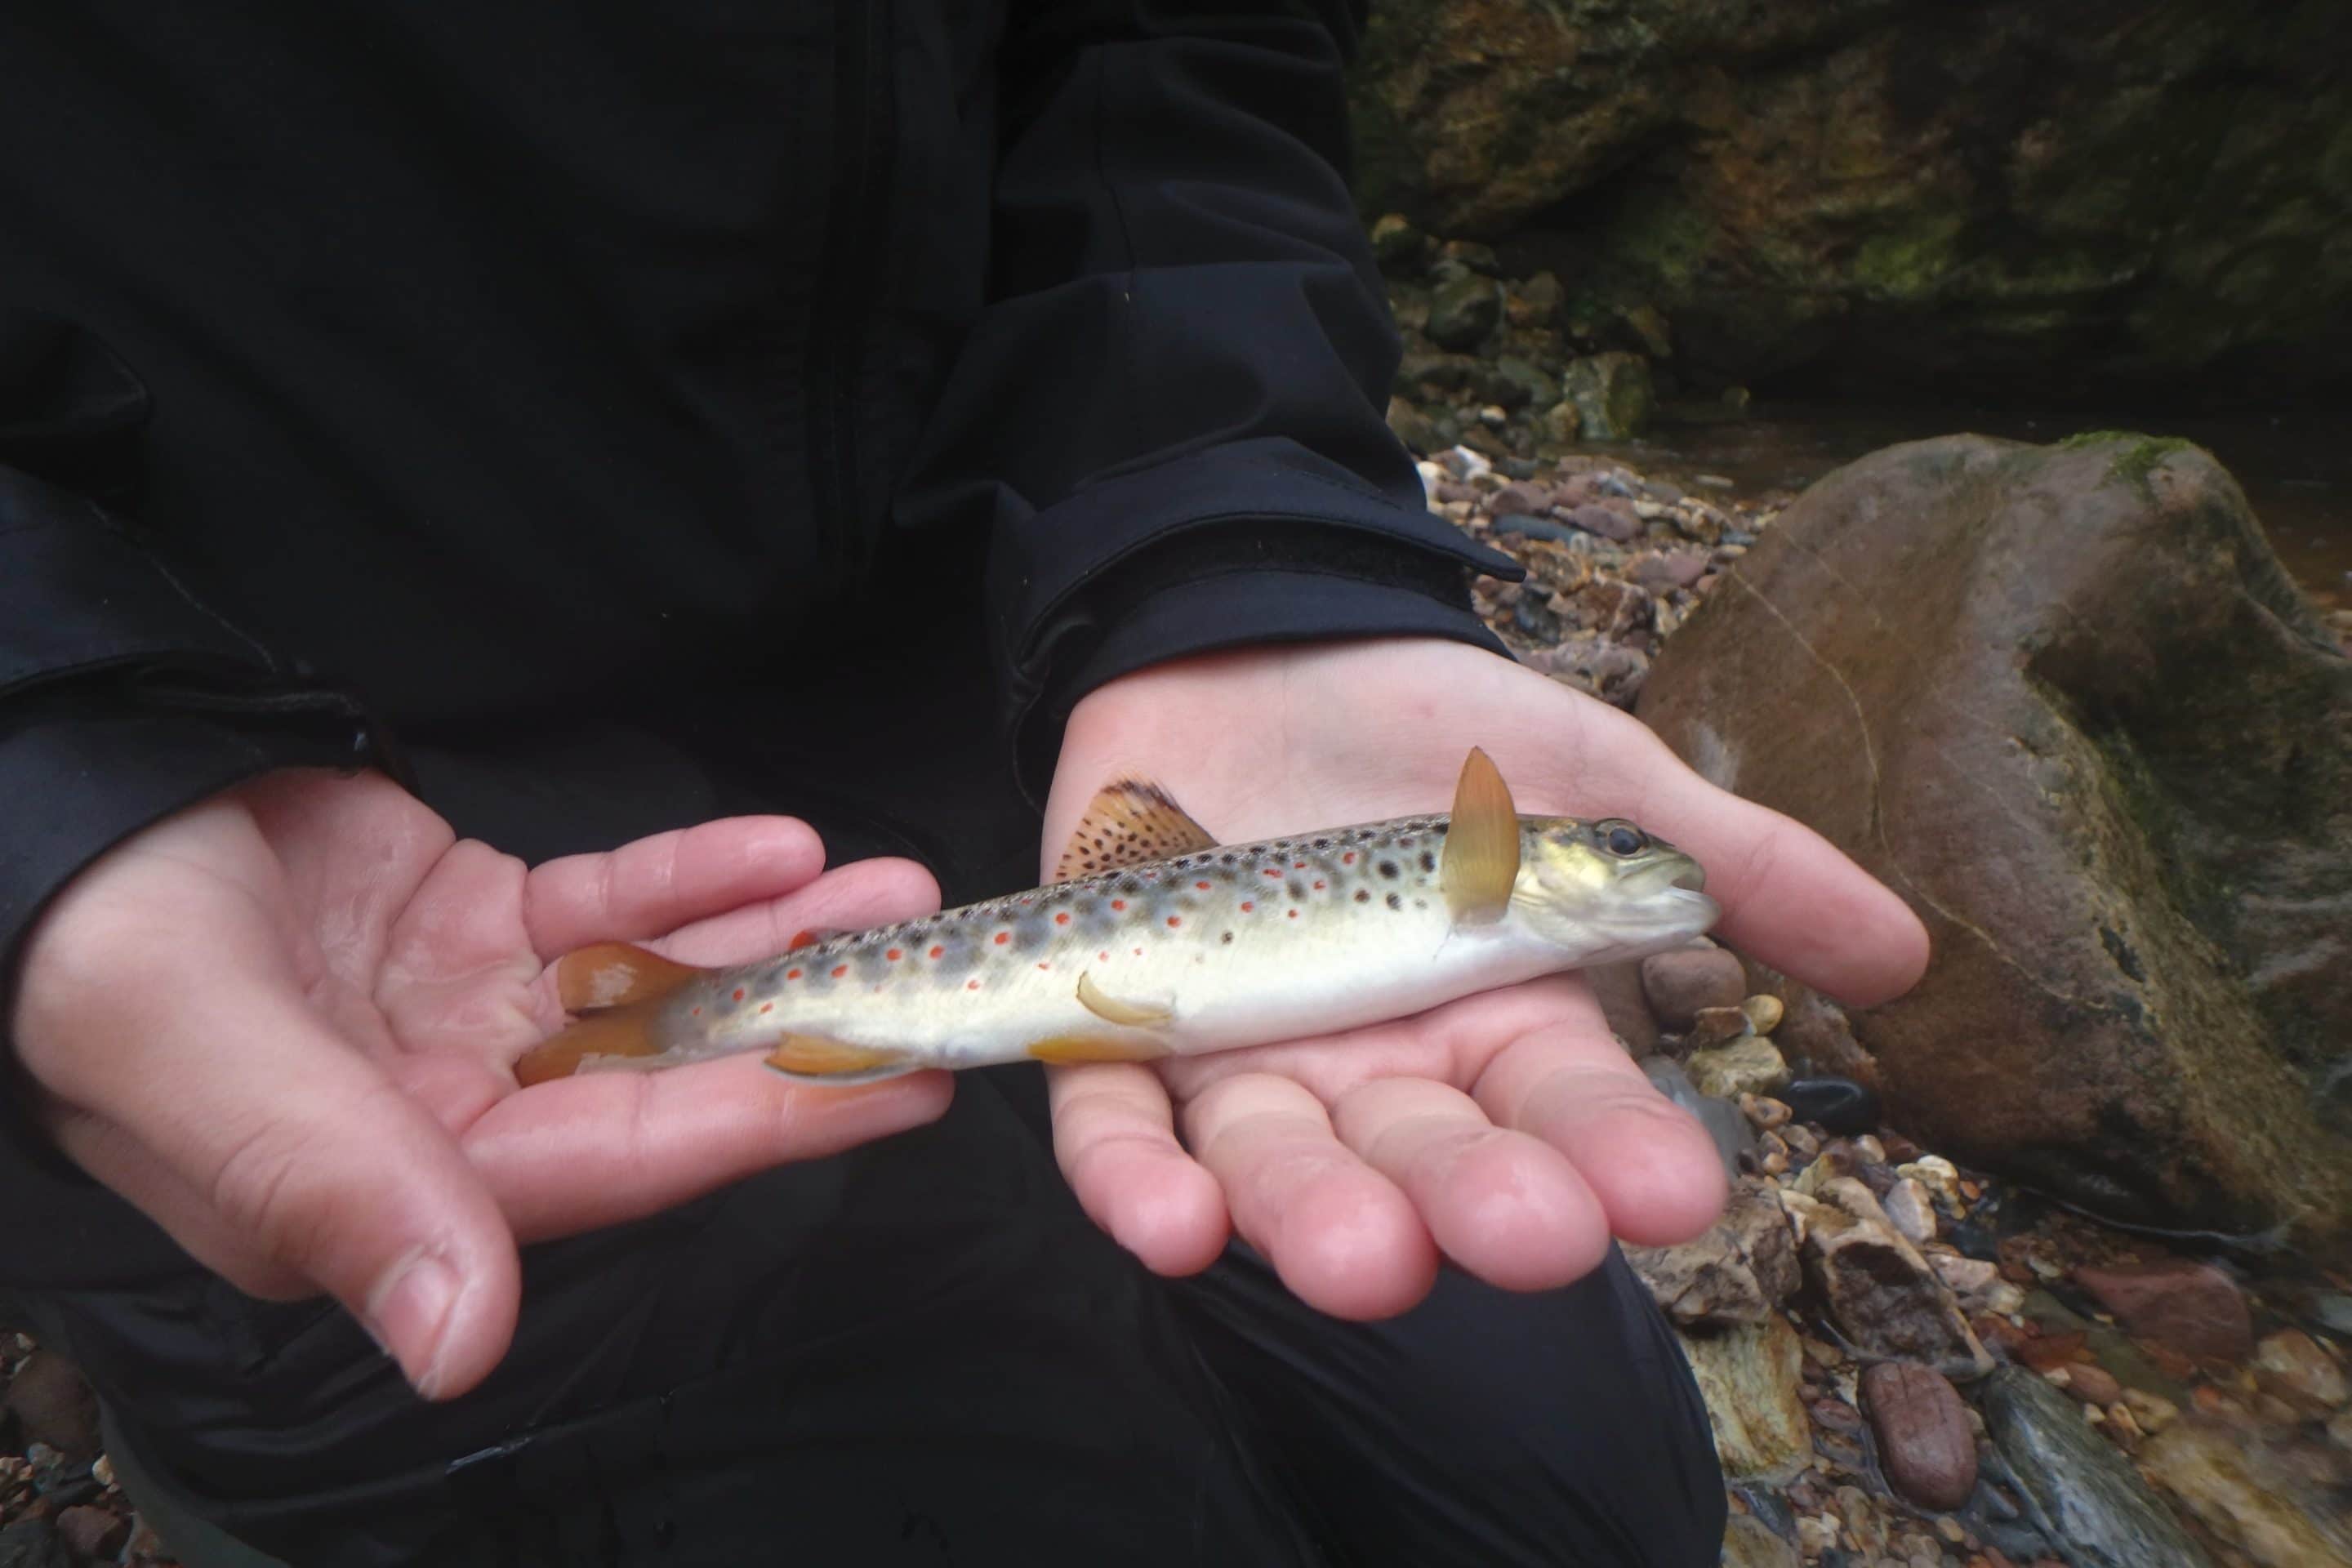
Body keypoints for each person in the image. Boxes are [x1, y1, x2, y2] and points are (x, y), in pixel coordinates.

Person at [0, 3, 1929, 1565]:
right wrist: (55, 785)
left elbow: (1179, 61)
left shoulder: (1446, 870)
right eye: (1619, 861)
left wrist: (1229, 552)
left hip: (1016, 707)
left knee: (1585, 1508)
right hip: (309, 786)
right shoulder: (1499, 862)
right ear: (1535, 854)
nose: (1648, 880)